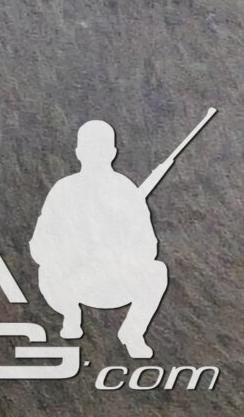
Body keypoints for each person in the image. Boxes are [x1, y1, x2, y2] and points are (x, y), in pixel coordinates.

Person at [32, 119, 175, 360]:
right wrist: (69, 253)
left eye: (100, 148)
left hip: (114, 280)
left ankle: (132, 333)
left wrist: (118, 253)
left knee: (156, 271)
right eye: (89, 148)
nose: (94, 154)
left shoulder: (125, 190)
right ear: (78, 152)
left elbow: (148, 247)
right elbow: (39, 245)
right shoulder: (63, 190)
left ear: (112, 153)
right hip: (71, 281)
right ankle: (70, 314)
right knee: (47, 270)